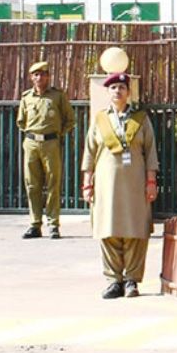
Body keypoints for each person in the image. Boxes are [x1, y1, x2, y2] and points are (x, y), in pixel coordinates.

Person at [81, 72, 159, 299]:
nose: (117, 91)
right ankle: (113, 279)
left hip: (135, 184)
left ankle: (132, 280)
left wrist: (151, 181)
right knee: (108, 230)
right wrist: (87, 182)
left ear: (128, 92)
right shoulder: (100, 119)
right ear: (108, 92)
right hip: (106, 185)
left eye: (121, 87)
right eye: (113, 87)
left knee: (136, 230)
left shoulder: (141, 119)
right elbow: (89, 151)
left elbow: (150, 152)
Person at [16, 61, 75, 240]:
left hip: (51, 143)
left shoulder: (57, 96)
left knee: (53, 184)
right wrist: (32, 137)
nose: (39, 77)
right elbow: (21, 122)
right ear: (31, 77)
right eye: (36, 74)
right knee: (32, 185)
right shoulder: (26, 98)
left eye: (43, 74)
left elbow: (70, 120)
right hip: (31, 143)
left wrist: (57, 135)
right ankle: (35, 224)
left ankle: (53, 224)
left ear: (48, 76)